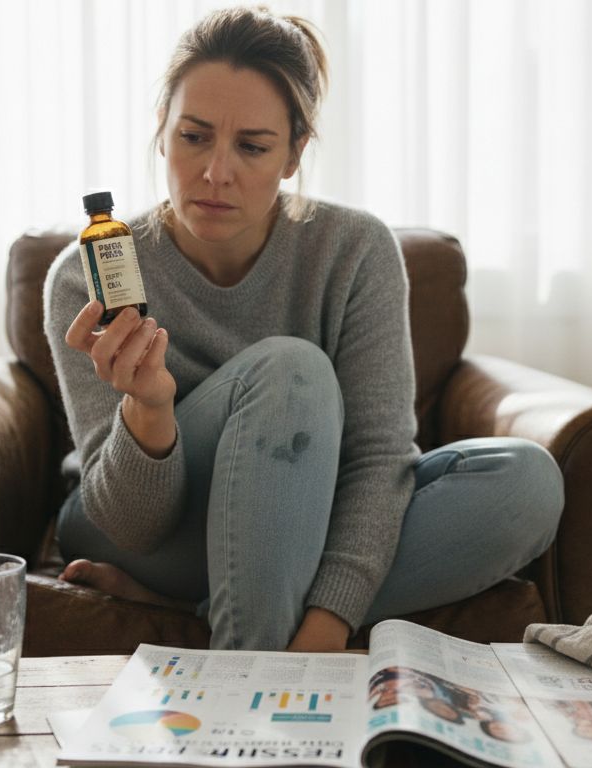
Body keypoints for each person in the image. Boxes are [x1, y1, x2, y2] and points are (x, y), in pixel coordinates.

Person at [44, 5, 564, 652]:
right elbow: (129, 525)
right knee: (291, 370)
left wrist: (327, 624)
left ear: (294, 154)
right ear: (161, 131)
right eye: (194, 136)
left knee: (527, 484)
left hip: (298, 523)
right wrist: (149, 410)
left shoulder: (353, 250)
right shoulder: (91, 273)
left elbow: (379, 457)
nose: (216, 172)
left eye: (253, 146)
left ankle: (212, 611)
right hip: (143, 529)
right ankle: (248, 677)